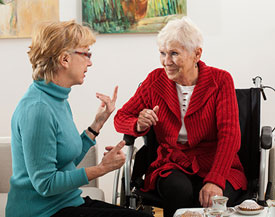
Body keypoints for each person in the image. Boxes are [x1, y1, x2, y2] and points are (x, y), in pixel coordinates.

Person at [5, 20, 152, 217]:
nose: (90, 62)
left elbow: (66, 162)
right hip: (41, 212)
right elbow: (46, 184)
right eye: (86, 54)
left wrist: (97, 124)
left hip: (66, 203)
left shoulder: (57, 100)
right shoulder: (38, 109)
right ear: (64, 59)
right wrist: (101, 168)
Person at [114, 17, 247, 217]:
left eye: (174, 53)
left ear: (197, 54)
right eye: (162, 53)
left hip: (215, 162)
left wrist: (215, 179)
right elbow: (121, 117)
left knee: (216, 201)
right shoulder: (155, 81)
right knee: (179, 191)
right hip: (172, 162)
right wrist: (138, 124)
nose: (167, 61)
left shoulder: (220, 80)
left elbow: (230, 135)